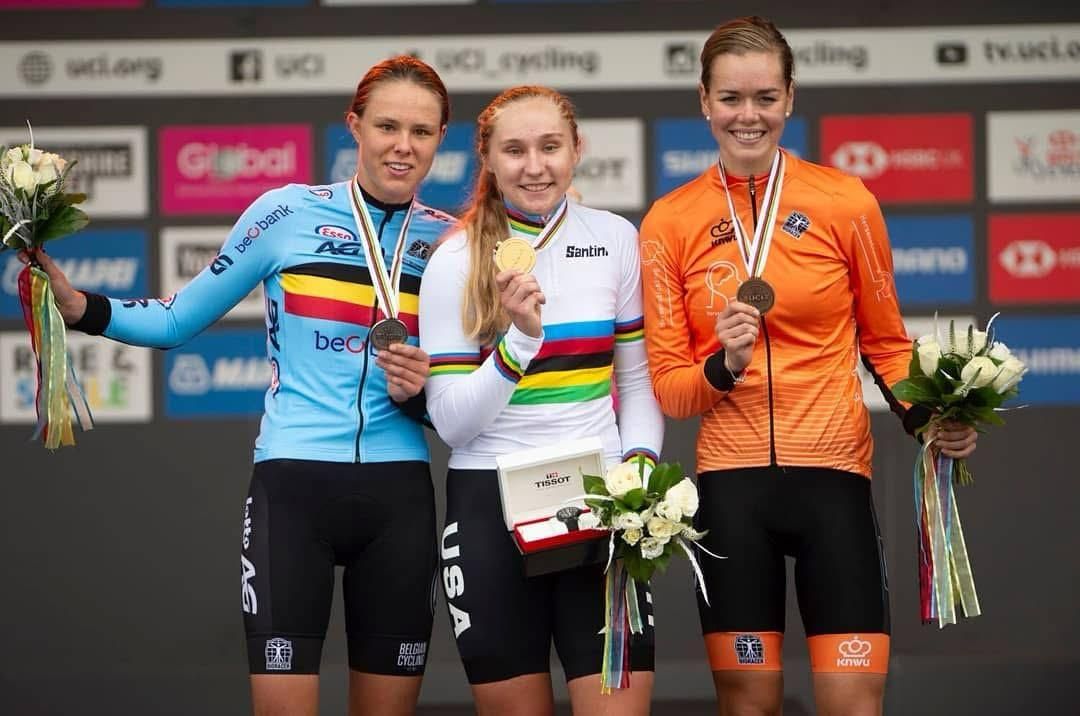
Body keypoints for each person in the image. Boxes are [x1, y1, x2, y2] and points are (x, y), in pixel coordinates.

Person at [22, 56, 454, 716]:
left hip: (399, 495)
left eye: (421, 132)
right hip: (294, 489)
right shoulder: (286, 213)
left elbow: (464, 399)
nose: (403, 146)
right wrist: (82, 308)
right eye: (387, 126)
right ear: (354, 126)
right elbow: (176, 319)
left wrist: (421, 392)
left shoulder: (451, 243)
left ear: (441, 138)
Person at [637, 17, 979, 716]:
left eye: (766, 97)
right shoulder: (669, 222)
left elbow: (885, 343)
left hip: (834, 483)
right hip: (732, 493)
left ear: (790, 98)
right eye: (731, 98)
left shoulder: (845, 202)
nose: (749, 115)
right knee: (748, 705)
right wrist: (725, 364)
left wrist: (931, 419)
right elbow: (672, 389)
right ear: (704, 102)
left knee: (854, 703)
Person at [418, 85, 664, 715]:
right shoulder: (454, 259)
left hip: (600, 503)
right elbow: (451, 423)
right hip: (488, 509)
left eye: (550, 147)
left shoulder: (614, 238)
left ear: (577, 149)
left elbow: (638, 383)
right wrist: (519, 343)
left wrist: (637, 472)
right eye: (515, 150)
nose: (535, 166)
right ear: (487, 157)